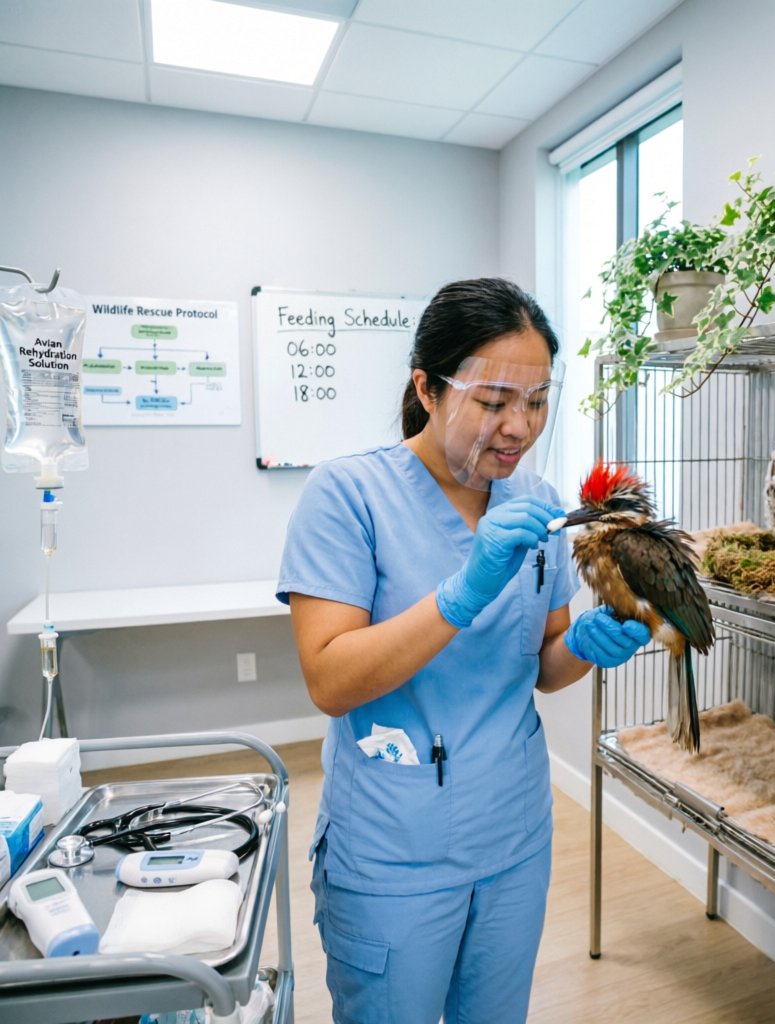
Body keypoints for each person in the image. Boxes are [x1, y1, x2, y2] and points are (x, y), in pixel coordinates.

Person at [277, 278, 650, 1024]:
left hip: (513, 839)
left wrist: (582, 643)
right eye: (492, 401)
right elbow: (328, 678)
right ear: (428, 385)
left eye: (538, 400)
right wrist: (459, 596)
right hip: (392, 852)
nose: (519, 425)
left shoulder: (537, 505)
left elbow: (543, 664)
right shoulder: (346, 496)